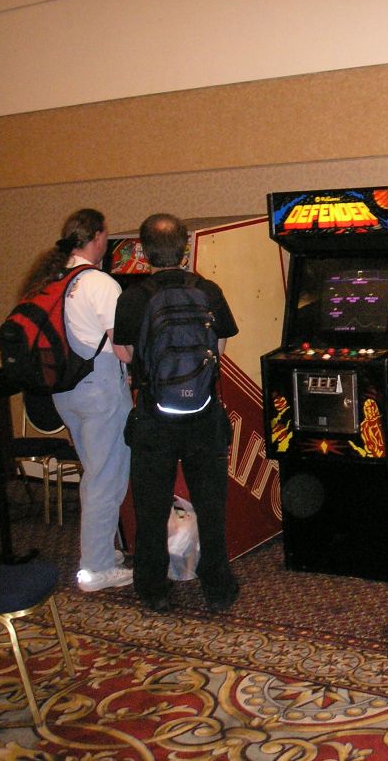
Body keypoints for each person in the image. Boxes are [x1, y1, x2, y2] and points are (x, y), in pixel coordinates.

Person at [113, 213, 239, 613]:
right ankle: (217, 587)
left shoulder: (133, 297)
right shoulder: (208, 289)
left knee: (151, 508)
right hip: (203, 414)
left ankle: (153, 588)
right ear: (184, 247)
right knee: (211, 505)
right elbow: (219, 350)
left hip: (155, 417)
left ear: (144, 250)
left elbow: (124, 353)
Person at [19, 208, 134, 593]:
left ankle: (101, 551)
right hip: (100, 388)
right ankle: (96, 568)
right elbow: (123, 349)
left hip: (66, 389)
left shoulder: (52, 278)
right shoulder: (99, 282)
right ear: (97, 237)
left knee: (94, 474)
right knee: (106, 478)